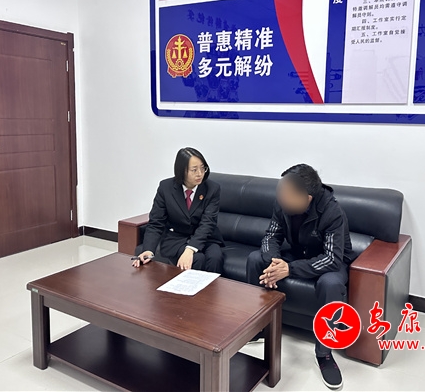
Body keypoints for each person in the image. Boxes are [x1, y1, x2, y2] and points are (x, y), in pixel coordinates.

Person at [246, 164, 355, 390]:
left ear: (306, 198)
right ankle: (257, 328)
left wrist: (290, 269)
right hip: (296, 254)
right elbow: (270, 236)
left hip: (328, 262)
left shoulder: (332, 212)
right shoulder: (282, 203)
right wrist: (275, 262)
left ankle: (324, 354)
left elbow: (332, 259)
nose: (280, 197)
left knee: (331, 283)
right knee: (256, 259)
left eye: (286, 193)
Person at [132, 147, 224, 273]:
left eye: (203, 168)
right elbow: (156, 222)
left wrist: (190, 248)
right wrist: (148, 250)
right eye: (194, 170)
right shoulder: (166, 188)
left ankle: (212, 287)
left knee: (215, 258)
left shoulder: (212, 189)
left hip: (206, 238)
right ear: (182, 171)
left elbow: (208, 223)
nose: (199, 173)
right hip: (177, 238)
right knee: (197, 259)